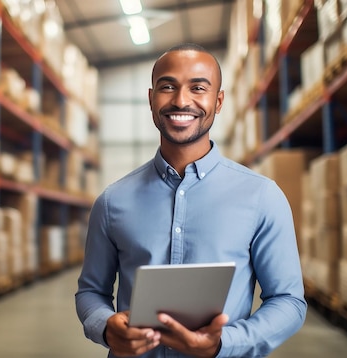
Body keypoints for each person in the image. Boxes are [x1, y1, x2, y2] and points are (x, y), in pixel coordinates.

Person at [75, 43, 307, 358]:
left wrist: (225, 342)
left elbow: (288, 300)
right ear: (151, 99)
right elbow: (91, 292)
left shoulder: (262, 196)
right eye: (167, 87)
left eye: (198, 88)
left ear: (219, 101)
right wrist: (104, 326)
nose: (181, 100)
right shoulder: (112, 201)